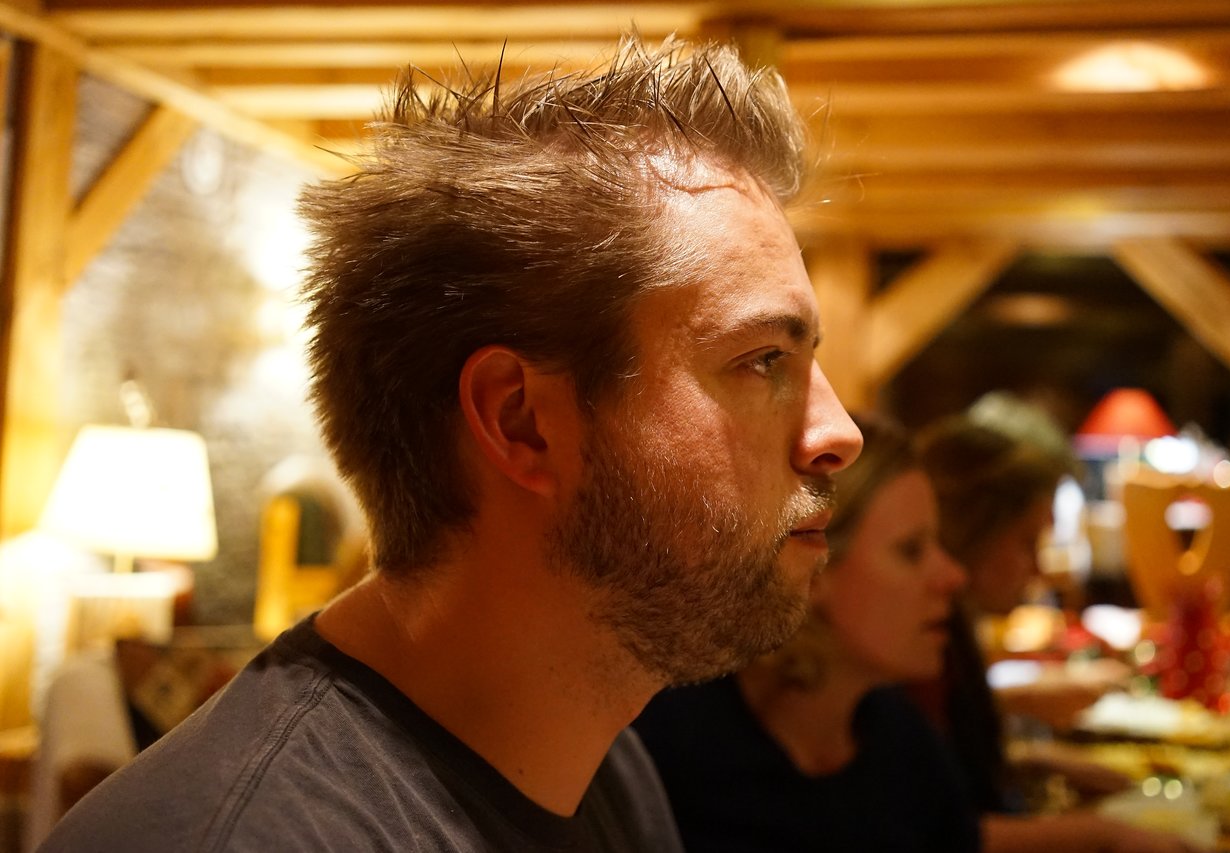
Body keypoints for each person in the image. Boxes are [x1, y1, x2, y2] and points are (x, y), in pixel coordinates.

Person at [39, 34, 861, 852]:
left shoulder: (600, 763)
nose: (839, 433)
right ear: (519, 420)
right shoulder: (245, 836)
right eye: (762, 361)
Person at [634, 413, 979, 852]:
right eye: (911, 550)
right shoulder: (671, 747)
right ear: (814, 561)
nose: (952, 576)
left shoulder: (902, 742)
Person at [918, 415, 1206, 853]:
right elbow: (930, 832)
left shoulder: (951, 631)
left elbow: (941, 778)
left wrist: (1031, 762)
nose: (1038, 567)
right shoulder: (916, 643)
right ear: (971, 529)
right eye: (1027, 541)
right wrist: (1105, 836)